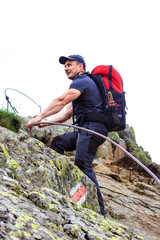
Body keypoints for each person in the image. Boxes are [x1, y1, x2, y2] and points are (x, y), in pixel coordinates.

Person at [27, 55, 108, 216]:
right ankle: (63, 186)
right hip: (85, 129)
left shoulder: (82, 80)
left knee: (83, 164)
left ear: (81, 67)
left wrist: (40, 116)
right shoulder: (82, 87)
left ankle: (99, 210)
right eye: (64, 66)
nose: (66, 68)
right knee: (58, 143)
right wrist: (46, 122)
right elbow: (66, 113)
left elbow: (62, 100)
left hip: (93, 129)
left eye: (69, 64)